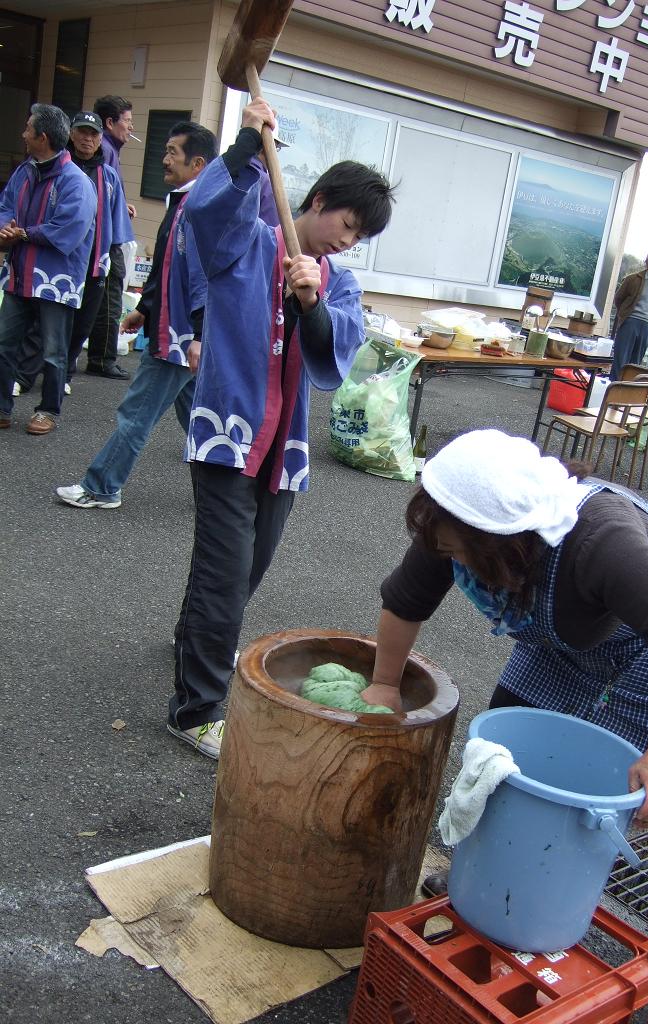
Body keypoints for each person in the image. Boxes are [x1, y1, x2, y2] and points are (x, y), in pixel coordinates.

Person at [362, 429, 648, 1012]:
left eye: (455, 550)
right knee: (502, 756)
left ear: (500, 542)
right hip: (564, 642)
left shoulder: (603, 544)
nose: (444, 554)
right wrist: (384, 683)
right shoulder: (461, 517)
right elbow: (406, 599)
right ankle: (488, 880)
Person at [167, 97, 395, 759]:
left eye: (359, 238)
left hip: (281, 453)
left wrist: (311, 300)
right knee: (223, 573)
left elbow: (334, 352)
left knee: (245, 572)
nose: (346, 242)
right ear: (318, 201)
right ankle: (196, 708)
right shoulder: (249, 241)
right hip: (226, 437)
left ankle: (196, 643)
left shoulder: (338, 284)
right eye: (346, 224)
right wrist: (243, 147)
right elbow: (203, 219)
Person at [54, 122, 219, 510]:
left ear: (197, 163)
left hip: (178, 337)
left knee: (137, 414)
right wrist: (145, 309)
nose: (164, 159)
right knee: (201, 418)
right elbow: (168, 268)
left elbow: (202, 277)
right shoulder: (185, 202)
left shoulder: (198, 209)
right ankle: (232, 493)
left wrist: (197, 332)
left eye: (172, 153)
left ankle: (101, 487)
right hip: (177, 331)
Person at [12, 111, 134, 394]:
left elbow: (117, 222)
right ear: (70, 134)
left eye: (93, 134)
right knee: (42, 322)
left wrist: (112, 259)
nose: (87, 139)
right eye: (82, 132)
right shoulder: (56, 168)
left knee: (82, 322)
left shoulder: (109, 175)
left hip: (94, 260)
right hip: (57, 258)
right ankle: (24, 376)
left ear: (101, 139)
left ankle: (64, 375)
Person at [0, 104, 97, 435]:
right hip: (19, 274)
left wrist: (22, 233)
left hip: (57, 280)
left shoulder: (77, 182)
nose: (23, 133)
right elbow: (5, 206)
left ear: (42, 137)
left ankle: (48, 411)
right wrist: (4, 229)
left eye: (28, 129)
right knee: (3, 342)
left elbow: (69, 230)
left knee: (54, 352)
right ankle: (1, 406)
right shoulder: (24, 171)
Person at [85, 95, 137, 380]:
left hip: (108, 234)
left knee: (104, 293)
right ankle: (102, 358)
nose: (130, 127)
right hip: (107, 238)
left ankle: (100, 356)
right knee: (109, 293)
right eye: (127, 121)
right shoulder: (104, 149)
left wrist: (122, 204)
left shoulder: (108, 150)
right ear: (110, 122)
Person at [610, 250, 648, 379]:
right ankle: (613, 389)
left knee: (635, 363)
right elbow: (618, 298)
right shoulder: (633, 279)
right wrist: (625, 314)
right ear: (646, 262)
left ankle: (628, 391)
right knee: (621, 358)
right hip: (630, 322)